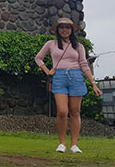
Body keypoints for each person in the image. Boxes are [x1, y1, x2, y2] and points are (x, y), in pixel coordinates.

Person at [34, 17, 101, 153]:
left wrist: (93, 84)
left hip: (76, 76)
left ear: (72, 30)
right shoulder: (51, 44)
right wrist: (48, 71)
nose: (65, 30)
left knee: (75, 112)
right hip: (59, 77)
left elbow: (84, 64)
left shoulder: (79, 46)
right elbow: (38, 58)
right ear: (58, 30)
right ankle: (62, 143)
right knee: (62, 111)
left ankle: (74, 145)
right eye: (62, 27)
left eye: (68, 27)